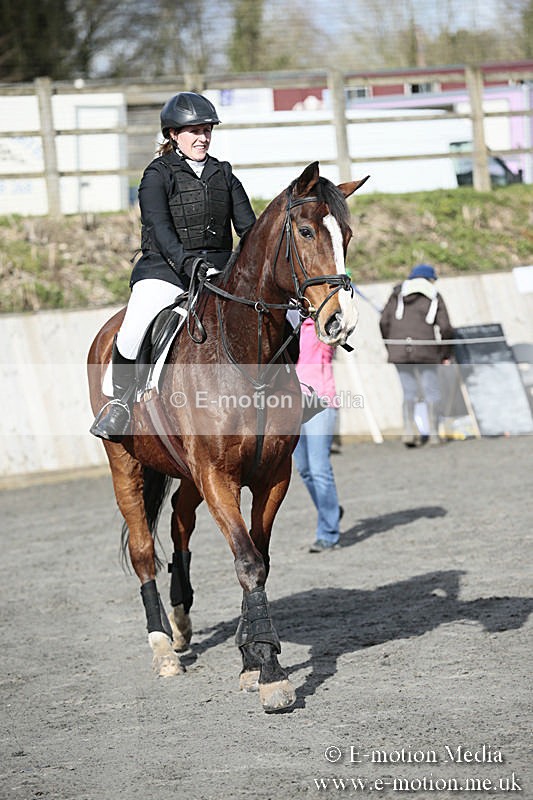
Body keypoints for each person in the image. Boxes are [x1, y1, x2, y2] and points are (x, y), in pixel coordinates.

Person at [90, 92, 256, 441]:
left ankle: (292, 387)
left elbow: (249, 230)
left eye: (207, 130)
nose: (203, 138)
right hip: (165, 270)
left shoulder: (224, 174)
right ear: (173, 134)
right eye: (194, 131)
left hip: (218, 271)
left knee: (277, 313)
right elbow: (159, 227)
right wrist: (186, 261)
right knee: (133, 328)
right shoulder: (157, 175)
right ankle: (120, 404)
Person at [379, 263, 454, 446]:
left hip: (399, 351)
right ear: (430, 279)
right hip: (426, 351)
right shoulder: (434, 295)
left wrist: (391, 347)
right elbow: (445, 327)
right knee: (431, 391)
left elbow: (383, 322)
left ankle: (408, 432)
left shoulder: (397, 294)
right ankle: (434, 434)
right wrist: (444, 353)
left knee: (409, 392)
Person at [293, 317, 343, 553]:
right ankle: (330, 508)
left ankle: (328, 533)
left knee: (319, 468)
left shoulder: (323, 325)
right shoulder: (291, 325)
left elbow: (341, 321)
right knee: (304, 469)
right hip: (291, 405)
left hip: (320, 402)